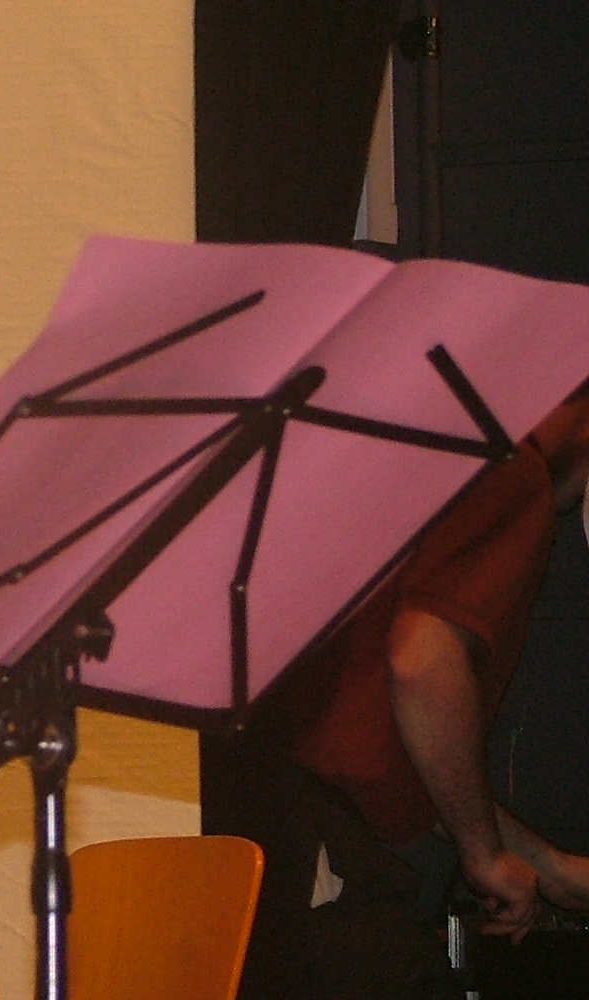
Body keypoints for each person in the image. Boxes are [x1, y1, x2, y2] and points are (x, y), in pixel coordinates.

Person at [215, 383, 589, 1000]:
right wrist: (485, 856)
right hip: (343, 854)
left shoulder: (405, 458)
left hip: (269, 817)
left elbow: (394, 745)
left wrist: (540, 864)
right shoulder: (511, 470)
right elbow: (421, 665)